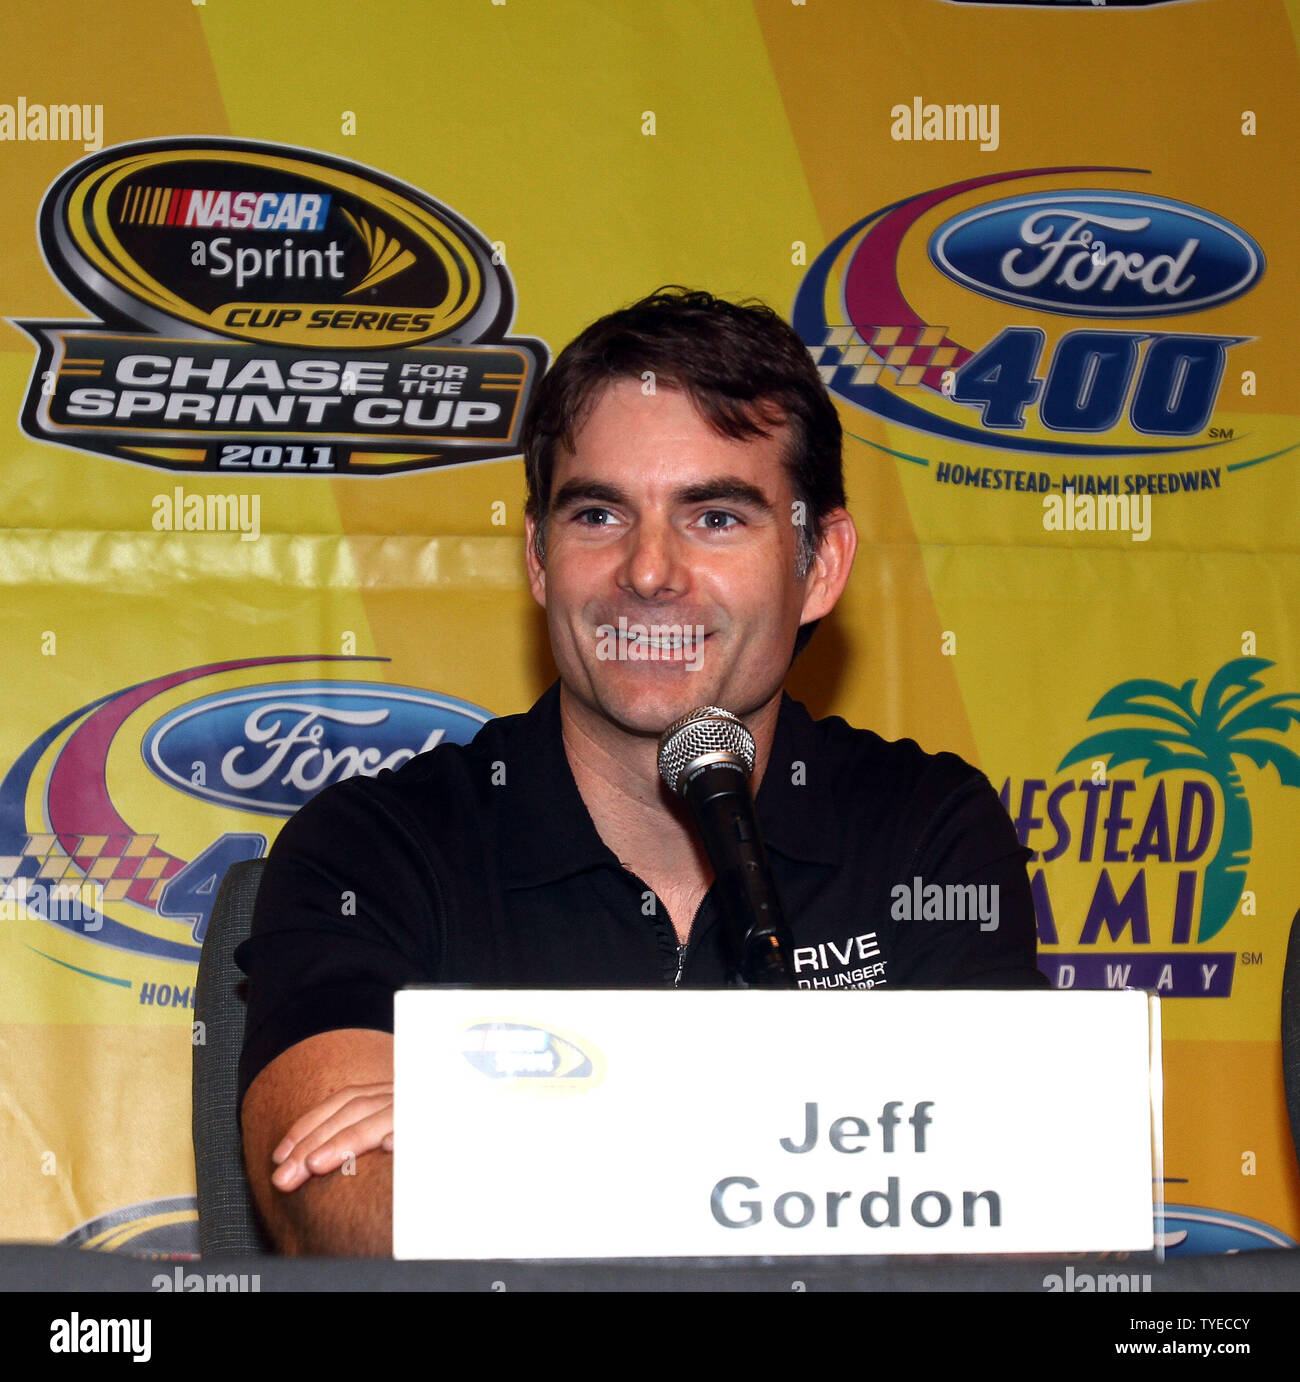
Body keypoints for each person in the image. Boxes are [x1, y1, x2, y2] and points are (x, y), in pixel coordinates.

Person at [236, 287, 1046, 1256]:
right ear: (538, 558)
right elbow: (333, 1195)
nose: (648, 570)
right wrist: (815, 1151)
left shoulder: (922, 827)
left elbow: (1007, 1209)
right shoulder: (376, 844)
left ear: (819, 564)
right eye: (597, 514)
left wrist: (501, 1121)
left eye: (713, 516)